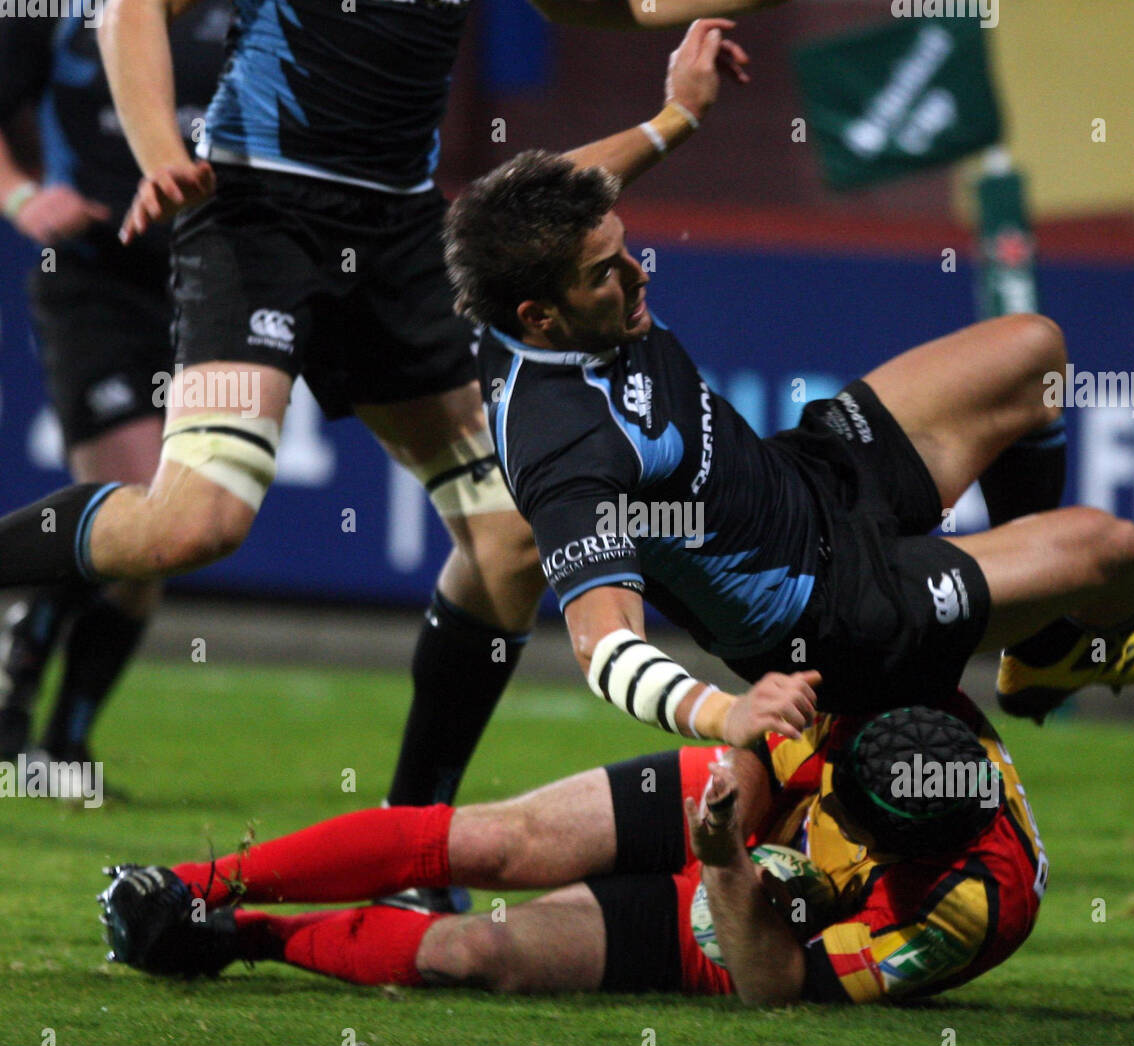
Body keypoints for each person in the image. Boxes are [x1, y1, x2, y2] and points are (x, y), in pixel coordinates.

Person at [0, 10, 763, 889]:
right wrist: (156, 151)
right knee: (192, 526)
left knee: (512, 536)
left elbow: (629, 7)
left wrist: (682, 106)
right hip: (253, 210)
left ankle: (411, 849)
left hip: (398, 235)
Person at [444, 148, 1134, 740]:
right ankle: (1132, 611)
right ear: (538, 317)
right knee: (1111, 547)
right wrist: (726, 712)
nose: (637, 271)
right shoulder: (566, 450)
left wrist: (678, 115)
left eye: (624, 246)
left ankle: (1038, 648)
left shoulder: (529, 266)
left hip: (808, 473)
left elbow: (567, 196)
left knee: (1034, 352)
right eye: (604, 272)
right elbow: (605, 648)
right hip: (833, 612)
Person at [98, 695, 1046, 1005]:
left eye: (855, 826)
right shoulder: (915, 712)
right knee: (493, 842)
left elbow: (773, 984)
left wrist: (724, 863)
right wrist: (742, 796)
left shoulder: (968, 912)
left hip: (747, 927)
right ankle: (187, 884)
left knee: (483, 950)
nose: (832, 821)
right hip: (749, 798)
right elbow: (774, 725)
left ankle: (241, 936)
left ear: (903, 848)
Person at [0, 0, 230, 784]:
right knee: (137, 491)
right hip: (93, 276)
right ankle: (22, 688)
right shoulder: (51, 12)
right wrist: (21, 197)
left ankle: (63, 741)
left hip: (200, 283)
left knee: (156, 542)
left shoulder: (258, 14)